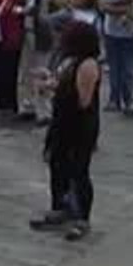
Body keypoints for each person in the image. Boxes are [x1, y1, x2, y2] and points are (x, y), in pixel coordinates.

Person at [30, 19, 102, 241]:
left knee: (79, 170)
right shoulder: (70, 62)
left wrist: (57, 88)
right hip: (61, 121)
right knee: (57, 162)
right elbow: (61, 82)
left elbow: (83, 100)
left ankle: (82, 218)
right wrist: (49, 83)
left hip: (79, 125)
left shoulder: (88, 65)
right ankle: (60, 207)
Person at [100, 0, 133, 113]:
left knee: (128, 68)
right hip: (111, 31)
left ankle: (128, 99)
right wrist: (120, 9)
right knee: (113, 67)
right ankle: (114, 99)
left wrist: (113, 8)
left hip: (129, 33)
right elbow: (102, 6)